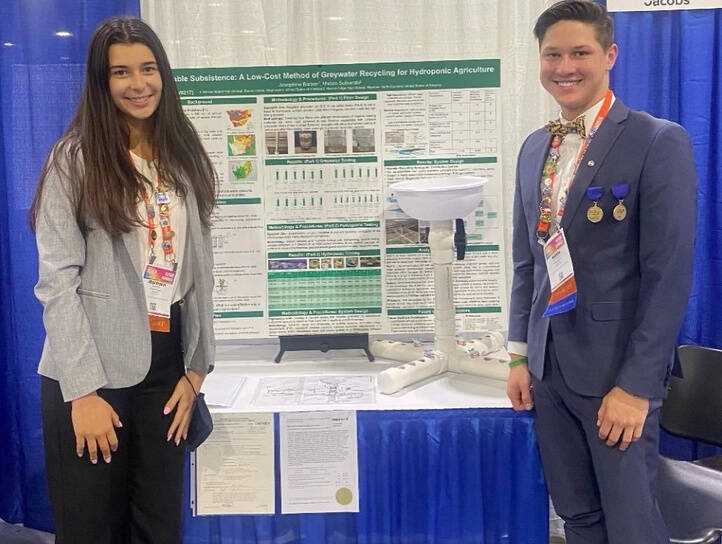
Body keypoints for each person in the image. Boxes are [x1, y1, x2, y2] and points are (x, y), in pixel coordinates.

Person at [506, 2, 696, 543]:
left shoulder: (656, 141)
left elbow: (669, 275)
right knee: (578, 517)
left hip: (615, 375)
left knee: (633, 526)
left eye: (580, 52)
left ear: (609, 55)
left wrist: (636, 387)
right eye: (553, 54)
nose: (565, 66)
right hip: (548, 373)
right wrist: (520, 354)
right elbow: (528, 263)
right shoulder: (533, 149)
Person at [30, 17, 216, 544]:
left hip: (168, 368)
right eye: (121, 72)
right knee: (92, 530)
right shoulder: (74, 160)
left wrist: (197, 368)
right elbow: (56, 282)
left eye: (148, 68)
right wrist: (82, 391)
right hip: (93, 371)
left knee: (160, 530)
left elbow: (198, 270)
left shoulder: (183, 156)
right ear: (101, 82)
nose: (138, 83)